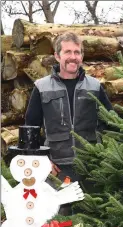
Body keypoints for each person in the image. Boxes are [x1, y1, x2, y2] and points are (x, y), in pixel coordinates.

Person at [25, 32, 113, 183]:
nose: (73, 57)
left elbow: (110, 123)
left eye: (77, 52)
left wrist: (102, 155)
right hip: (56, 169)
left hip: (91, 167)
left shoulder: (95, 86)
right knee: (60, 207)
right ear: (57, 56)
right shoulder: (42, 87)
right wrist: (42, 161)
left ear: (81, 56)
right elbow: (30, 128)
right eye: (67, 52)